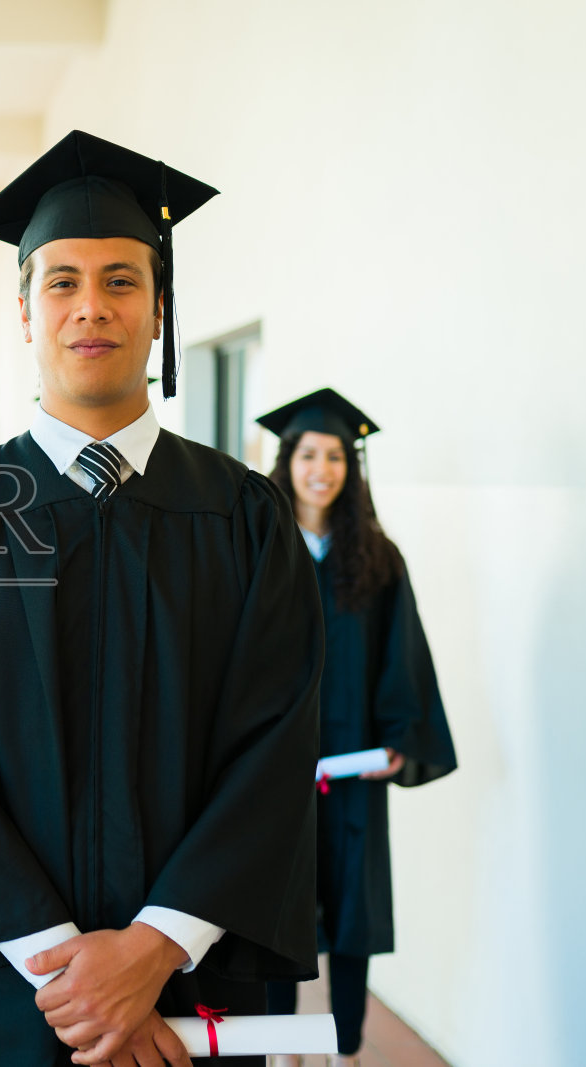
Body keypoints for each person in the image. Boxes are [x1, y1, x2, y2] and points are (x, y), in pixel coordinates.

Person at [0, 129, 326, 1067]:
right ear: (25, 311)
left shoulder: (243, 513)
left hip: (193, 977)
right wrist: (73, 974)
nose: (91, 307)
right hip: (9, 987)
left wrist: (152, 950)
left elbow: (274, 743)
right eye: (62, 281)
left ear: (159, 311)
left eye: (122, 279)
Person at [255, 389, 458, 1067]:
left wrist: (399, 737)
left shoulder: (376, 555)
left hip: (353, 768)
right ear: (287, 461)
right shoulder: (261, 547)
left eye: (336, 454)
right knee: (274, 915)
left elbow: (404, 652)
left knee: (352, 918)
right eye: (309, 453)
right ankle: (283, 1046)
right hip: (277, 773)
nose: (322, 467)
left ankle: (345, 1049)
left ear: (352, 466)